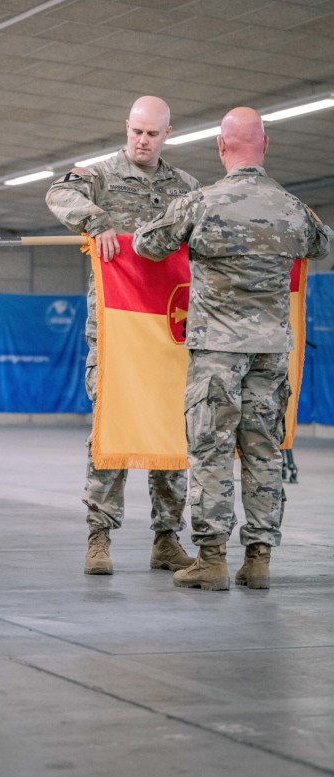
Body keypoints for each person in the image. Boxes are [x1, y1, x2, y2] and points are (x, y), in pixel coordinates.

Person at [133, 107, 330, 591]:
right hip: (270, 353)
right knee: (263, 451)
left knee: (211, 452)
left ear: (221, 147)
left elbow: (146, 246)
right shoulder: (292, 208)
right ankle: (259, 559)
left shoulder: (200, 203)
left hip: (216, 354)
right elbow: (322, 245)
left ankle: (213, 558)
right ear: (266, 146)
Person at [46, 96, 199, 576]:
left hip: (169, 329)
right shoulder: (101, 175)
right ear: (126, 128)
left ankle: (167, 539)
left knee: (169, 429)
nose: (142, 140)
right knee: (111, 428)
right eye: (136, 131)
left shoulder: (186, 187)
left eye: (152, 133)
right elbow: (58, 194)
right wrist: (98, 219)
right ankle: (100, 538)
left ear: (167, 134)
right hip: (116, 329)